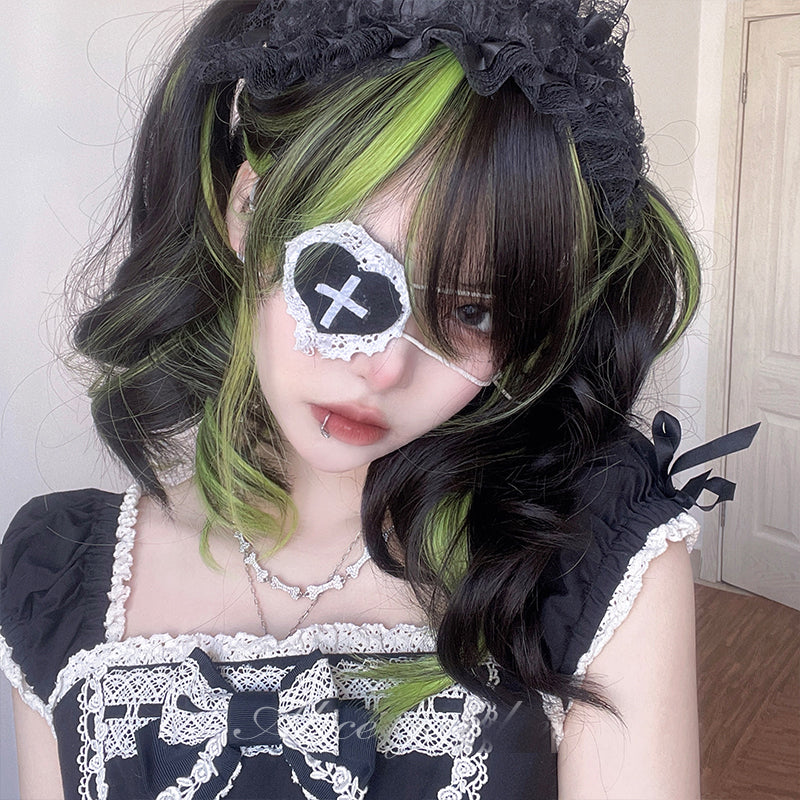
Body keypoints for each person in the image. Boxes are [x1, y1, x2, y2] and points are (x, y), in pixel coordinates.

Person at [0, 1, 759, 798]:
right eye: (348, 274)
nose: (386, 368)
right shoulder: (60, 580)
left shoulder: (584, 561)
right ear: (248, 211)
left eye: (475, 312)